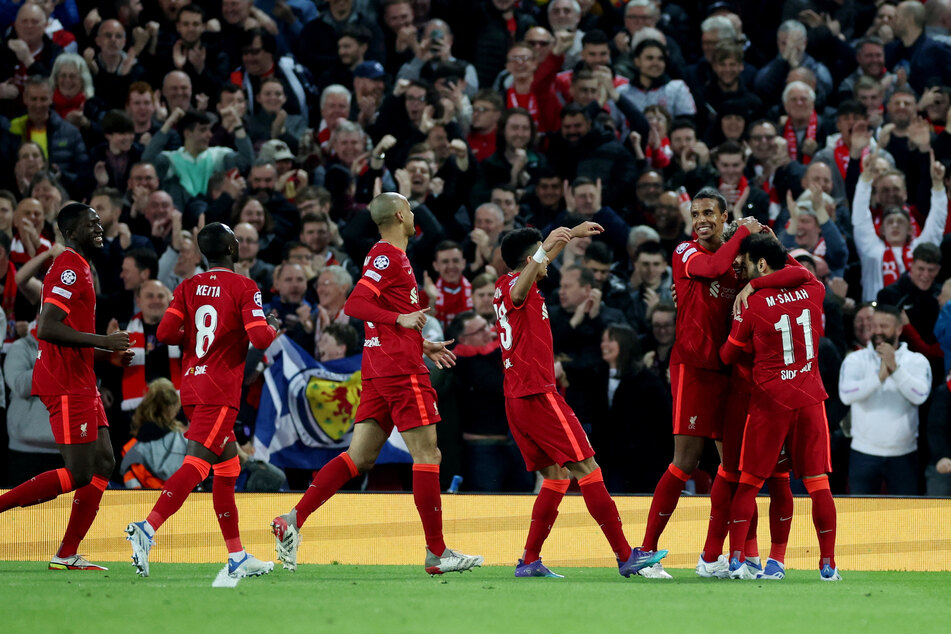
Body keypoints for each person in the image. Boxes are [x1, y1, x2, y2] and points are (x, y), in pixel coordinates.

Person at [270, 192, 483, 575]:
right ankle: (437, 553)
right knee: (428, 456)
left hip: (381, 367)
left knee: (360, 457)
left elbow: (379, 310)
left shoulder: (384, 256)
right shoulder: (389, 256)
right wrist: (401, 322)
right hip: (399, 372)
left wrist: (421, 342)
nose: (415, 213)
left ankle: (292, 518)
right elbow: (355, 304)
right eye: (411, 209)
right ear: (401, 215)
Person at [494, 222, 668, 579]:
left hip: (517, 398)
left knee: (556, 477)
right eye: (541, 254)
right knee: (588, 468)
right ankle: (625, 555)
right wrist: (548, 248)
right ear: (530, 258)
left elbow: (531, 270)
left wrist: (569, 234)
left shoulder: (504, 285)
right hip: (537, 395)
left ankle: (529, 560)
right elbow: (521, 285)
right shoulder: (516, 288)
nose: (548, 262)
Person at [125, 222, 280, 579]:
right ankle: (146, 529)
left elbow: (165, 333)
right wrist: (270, 325)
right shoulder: (245, 285)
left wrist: (196, 338)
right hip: (220, 390)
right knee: (197, 465)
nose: (240, 243)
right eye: (236, 240)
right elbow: (259, 338)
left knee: (228, 469)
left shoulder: (188, 286)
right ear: (231, 249)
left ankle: (237, 555)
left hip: (192, 387)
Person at [0, 202, 132, 571]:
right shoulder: (71, 266)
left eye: (98, 222)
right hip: (65, 381)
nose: (99, 228)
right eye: (91, 224)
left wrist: (105, 355)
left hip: (80, 377)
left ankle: (66, 553)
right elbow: (47, 327)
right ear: (70, 233)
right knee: (79, 473)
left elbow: (64, 325)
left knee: (105, 461)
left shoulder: (80, 266)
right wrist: (103, 343)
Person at [637, 188, 761, 579]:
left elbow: (777, 271)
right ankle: (646, 553)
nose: (701, 220)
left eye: (709, 212)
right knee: (685, 462)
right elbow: (710, 271)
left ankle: (719, 558)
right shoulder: (685, 253)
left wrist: (754, 273)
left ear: (726, 216)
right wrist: (742, 236)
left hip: (731, 370)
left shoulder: (740, 260)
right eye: (695, 214)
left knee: (734, 467)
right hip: (693, 368)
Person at [720, 233, 840, 581]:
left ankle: (739, 560)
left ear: (759, 264)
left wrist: (751, 294)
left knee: (749, 483)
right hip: (810, 399)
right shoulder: (815, 289)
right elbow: (800, 273)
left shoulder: (752, 304)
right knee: (818, 484)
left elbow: (727, 356)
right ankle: (828, 564)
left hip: (770, 401)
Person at [839, 304, 931, 495]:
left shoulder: (916, 361)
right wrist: (879, 378)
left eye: (884, 326)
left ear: (899, 329)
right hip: (863, 453)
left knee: (904, 519)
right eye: (875, 325)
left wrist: (895, 370)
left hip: (904, 455)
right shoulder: (855, 360)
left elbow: (920, 395)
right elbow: (846, 396)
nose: (878, 331)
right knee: (860, 517)